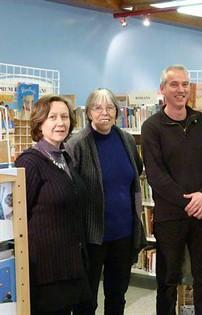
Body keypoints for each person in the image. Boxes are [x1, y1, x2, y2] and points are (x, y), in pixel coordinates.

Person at [141, 64, 202, 315]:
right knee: (167, 280)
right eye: (174, 84)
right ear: (162, 89)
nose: (181, 89)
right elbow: (156, 175)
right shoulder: (152, 127)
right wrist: (193, 204)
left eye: (185, 84)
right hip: (170, 217)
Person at [65, 88, 145, 315]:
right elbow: (69, 187)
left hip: (124, 233)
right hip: (92, 236)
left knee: (117, 296)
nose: (104, 112)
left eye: (110, 107)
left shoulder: (126, 139)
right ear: (88, 112)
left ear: (117, 112)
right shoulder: (77, 144)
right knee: (86, 300)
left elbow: (135, 172)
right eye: (97, 107)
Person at [15, 95, 91, 314]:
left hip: (73, 264)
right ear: (40, 123)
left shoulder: (65, 158)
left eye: (65, 117)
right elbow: (19, 218)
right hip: (46, 272)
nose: (61, 123)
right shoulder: (29, 162)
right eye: (53, 117)